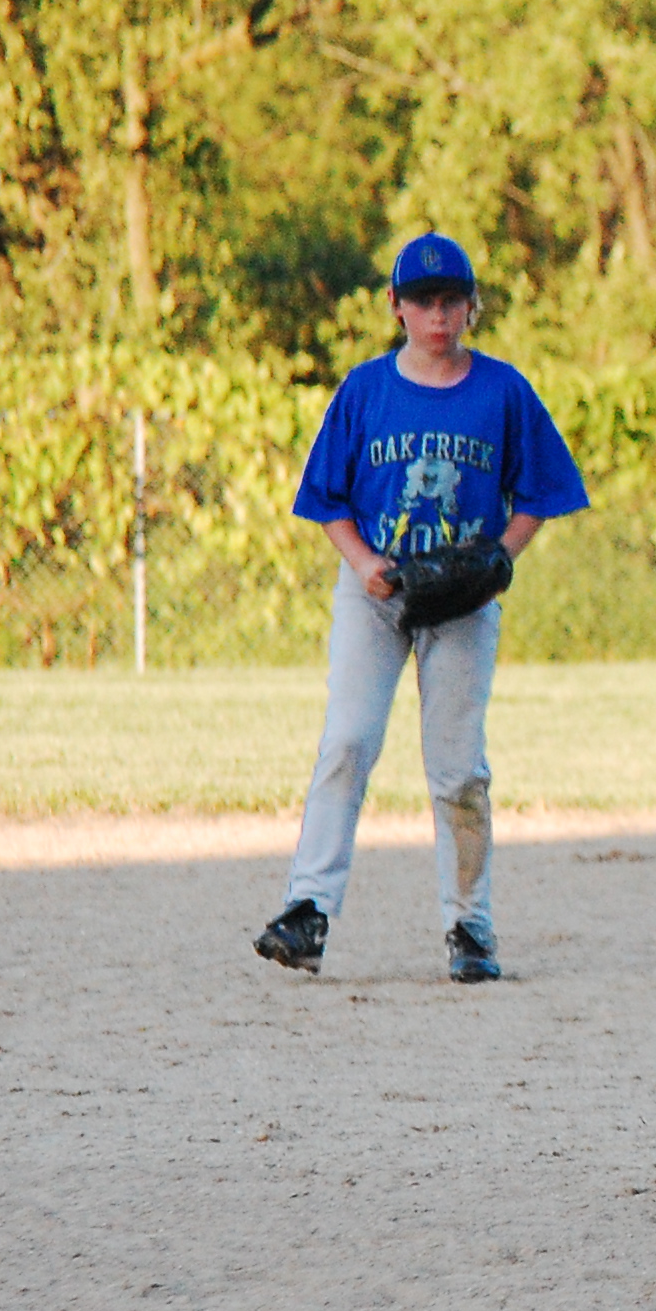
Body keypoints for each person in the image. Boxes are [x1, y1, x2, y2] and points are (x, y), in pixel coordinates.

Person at [252, 232, 589, 983]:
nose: (438, 315)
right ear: (395, 307)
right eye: (422, 301)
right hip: (376, 595)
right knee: (347, 742)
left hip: (463, 603)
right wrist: (364, 563)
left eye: (450, 301)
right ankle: (307, 910)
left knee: (459, 770)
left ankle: (470, 926)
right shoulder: (365, 390)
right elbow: (327, 499)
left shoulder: (502, 391)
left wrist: (499, 558)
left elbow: (541, 491)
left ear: (472, 306)